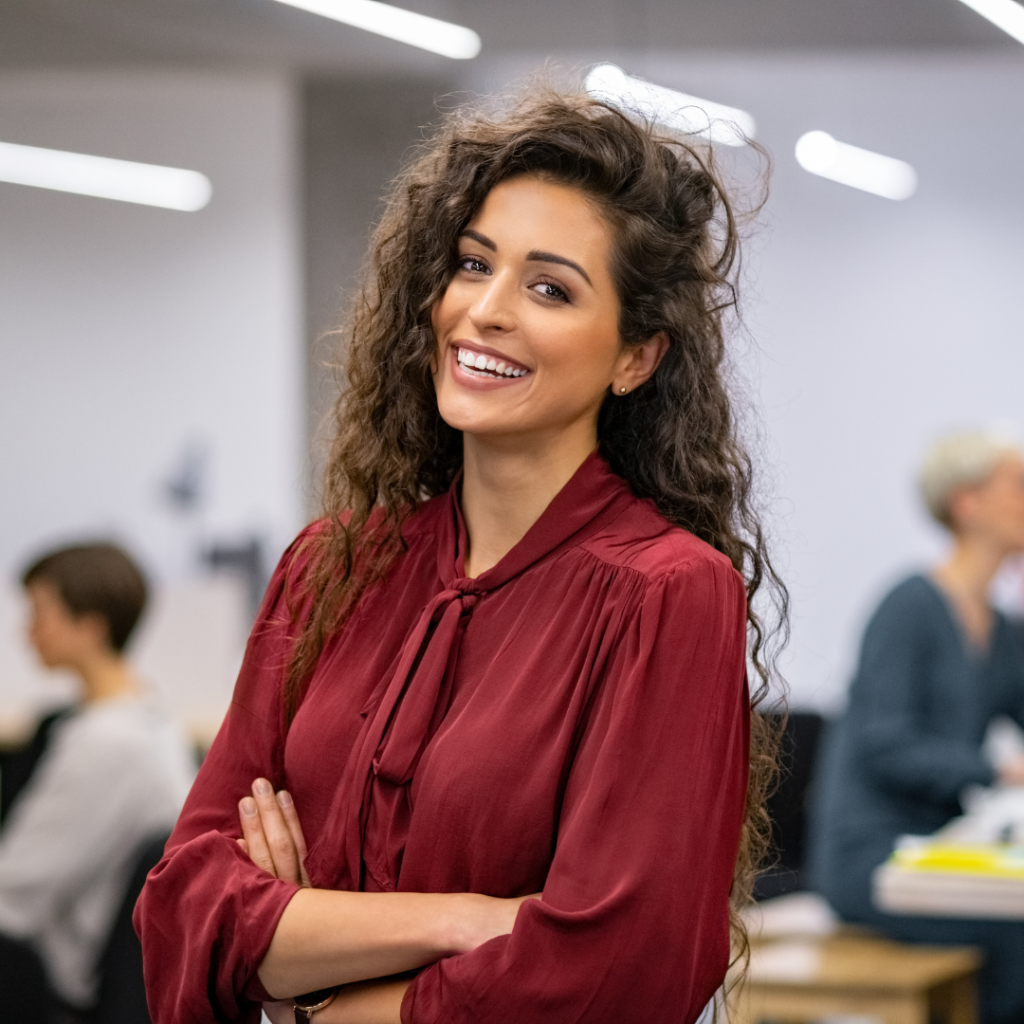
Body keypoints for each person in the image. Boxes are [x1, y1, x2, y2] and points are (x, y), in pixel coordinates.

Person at [135, 88, 785, 1024]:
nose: (484, 311)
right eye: (473, 265)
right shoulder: (329, 568)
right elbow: (182, 907)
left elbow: (620, 971)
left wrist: (310, 988)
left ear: (635, 358)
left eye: (550, 287)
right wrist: (466, 920)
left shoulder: (667, 594)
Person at [808, 429, 1024, 1024]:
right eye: (1018, 486)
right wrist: (1001, 768)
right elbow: (885, 744)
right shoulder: (909, 606)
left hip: (942, 860)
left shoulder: (1005, 631)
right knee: (1017, 944)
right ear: (967, 502)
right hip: (874, 861)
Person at [0, 542, 196, 1021]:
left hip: (62, 984)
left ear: (90, 626)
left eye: (40, 612)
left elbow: (12, 897)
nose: (28, 630)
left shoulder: (106, 743)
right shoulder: (148, 714)